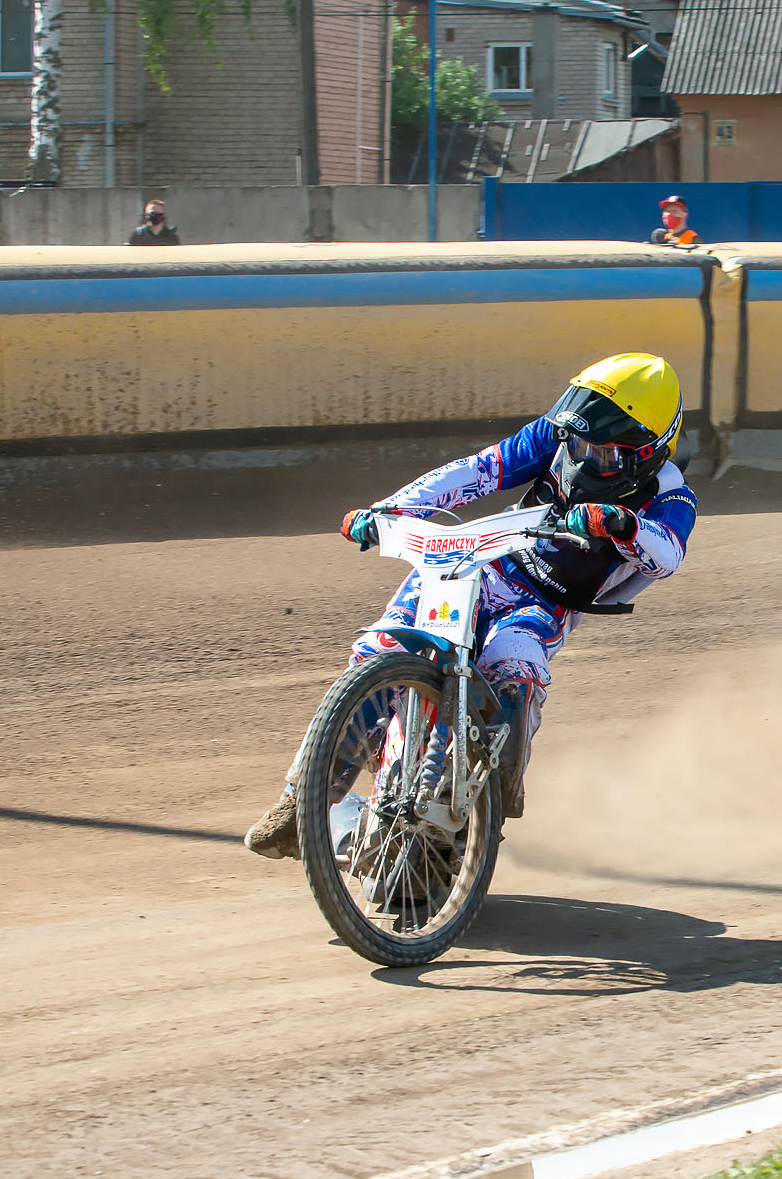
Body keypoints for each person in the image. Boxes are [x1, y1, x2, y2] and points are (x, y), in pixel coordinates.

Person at [245, 352, 698, 859]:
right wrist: (390, 511)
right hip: (481, 563)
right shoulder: (552, 437)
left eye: (605, 455)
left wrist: (622, 524)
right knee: (378, 650)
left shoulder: (672, 496)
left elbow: (666, 553)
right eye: (578, 442)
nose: (584, 458)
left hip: (543, 604)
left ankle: (498, 789)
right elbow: (476, 471)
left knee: (514, 665)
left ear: (649, 454)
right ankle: (300, 802)